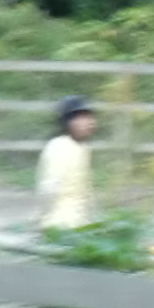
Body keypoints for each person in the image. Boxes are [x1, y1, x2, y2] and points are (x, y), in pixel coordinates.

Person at [36, 95, 97, 230]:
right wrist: (42, 217)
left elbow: (86, 190)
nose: (90, 122)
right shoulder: (58, 147)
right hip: (60, 226)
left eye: (89, 117)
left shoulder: (83, 148)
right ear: (68, 122)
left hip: (81, 223)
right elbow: (49, 189)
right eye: (82, 118)